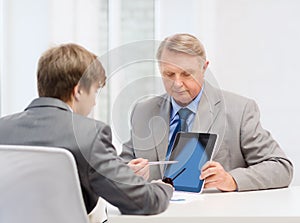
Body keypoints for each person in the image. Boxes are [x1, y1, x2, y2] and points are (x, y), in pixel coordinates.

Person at [0, 43, 173, 220]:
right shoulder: (89, 135)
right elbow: (144, 201)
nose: (94, 103)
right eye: (95, 91)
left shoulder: (2, 129)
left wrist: (120, 171)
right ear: (78, 91)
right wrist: (164, 186)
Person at [121, 33, 293, 192]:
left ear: (204, 68)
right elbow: (119, 168)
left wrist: (231, 179)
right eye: (169, 74)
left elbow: (281, 167)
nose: (177, 83)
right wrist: (128, 174)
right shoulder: (142, 111)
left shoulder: (239, 110)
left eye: (186, 74)